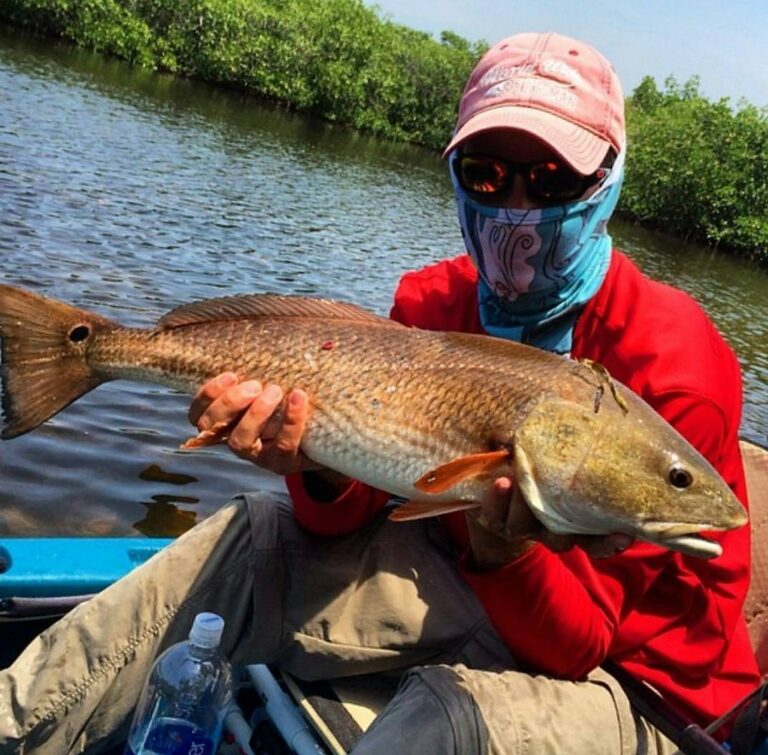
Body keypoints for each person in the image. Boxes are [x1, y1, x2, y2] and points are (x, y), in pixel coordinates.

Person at [0, 32, 759, 755]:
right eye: (488, 174)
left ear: (610, 179)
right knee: (246, 534)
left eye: (555, 179)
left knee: (444, 720)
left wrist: (503, 549)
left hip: (635, 689)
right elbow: (355, 512)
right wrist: (313, 462)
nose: (519, 204)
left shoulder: (674, 363)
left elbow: (577, 646)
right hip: (462, 584)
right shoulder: (432, 299)